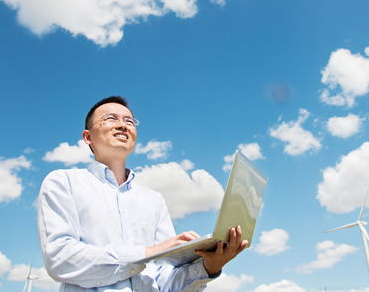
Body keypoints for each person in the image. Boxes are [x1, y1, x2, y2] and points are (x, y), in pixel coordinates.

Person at [37, 96, 248, 291]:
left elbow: (163, 279)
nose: (122, 125)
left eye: (129, 121)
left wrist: (208, 268)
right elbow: (61, 259)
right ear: (88, 137)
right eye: (110, 119)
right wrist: (148, 252)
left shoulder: (153, 200)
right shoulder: (63, 182)